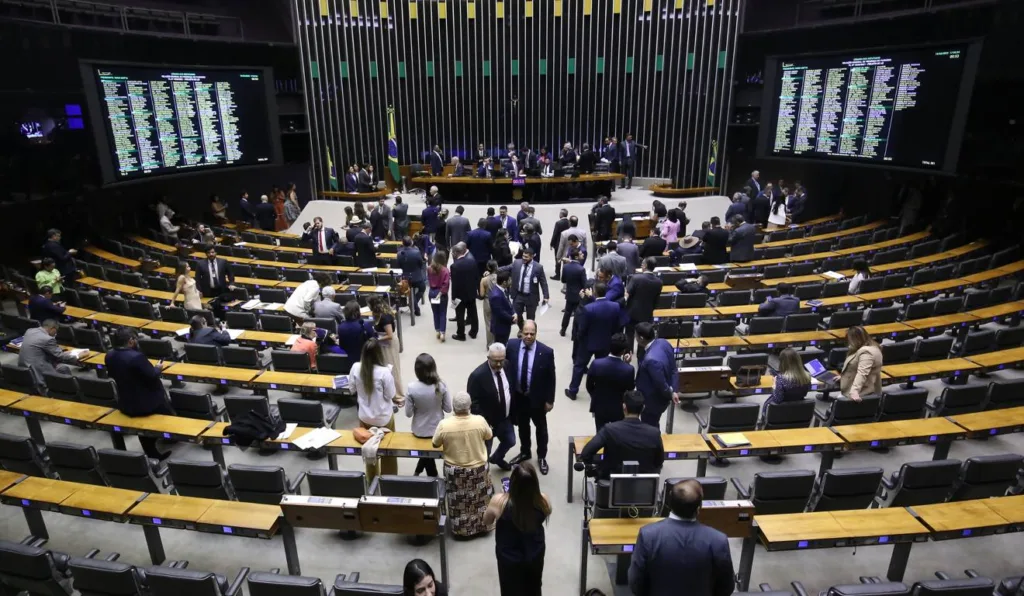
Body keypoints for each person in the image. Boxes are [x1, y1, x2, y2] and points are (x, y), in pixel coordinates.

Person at [628, 479, 734, 596]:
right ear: (699, 508)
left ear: (669, 502)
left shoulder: (648, 535)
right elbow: (726, 587)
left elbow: (636, 583)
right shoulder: (718, 540)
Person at [484, 462, 551, 596]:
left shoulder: (499, 502)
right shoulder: (542, 500)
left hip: (509, 556)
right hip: (534, 552)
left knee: (509, 588)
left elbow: (486, 521)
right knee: (534, 586)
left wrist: (505, 497)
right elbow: (546, 513)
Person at [432, 391, 494, 538]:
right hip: (478, 470)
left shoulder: (444, 425)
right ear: (469, 406)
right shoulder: (479, 421)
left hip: (456, 472)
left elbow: (435, 443)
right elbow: (489, 435)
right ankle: (482, 526)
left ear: (453, 407)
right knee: (480, 501)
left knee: (459, 504)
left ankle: (461, 530)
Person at [104, 329, 173, 460]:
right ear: (131, 341)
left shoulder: (109, 355)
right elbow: (152, 375)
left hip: (126, 401)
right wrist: (158, 368)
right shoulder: (136, 357)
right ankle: (168, 437)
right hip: (146, 404)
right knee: (167, 407)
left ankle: (152, 451)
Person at [506, 321, 556, 474]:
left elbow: (551, 378)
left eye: (532, 333)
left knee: (541, 429)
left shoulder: (546, 352)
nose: (528, 336)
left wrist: (550, 400)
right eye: (526, 333)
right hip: (519, 396)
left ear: (536, 333)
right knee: (523, 426)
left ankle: (542, 456)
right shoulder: (512, 346)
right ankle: (525, 451)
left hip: (537, 399)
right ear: (521, 332)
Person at [580, 390, 664, 479]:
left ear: (624, 407)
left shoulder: (609, 430)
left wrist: (600, 466)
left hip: (611, 484)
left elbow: (586, 454)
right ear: (643, 408)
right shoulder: (654, 433)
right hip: (643, 486)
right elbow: (659, 462)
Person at [349, 338, 401, 479]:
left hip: (364, 417)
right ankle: (389, 478)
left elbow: (351, 389)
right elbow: (390, 395)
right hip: (383, 418)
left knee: (369, 449)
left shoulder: (355, 367)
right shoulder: (385, 372)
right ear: (379, 354)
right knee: (389, 451)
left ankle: (372, 479)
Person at [567, 282, 628, 400]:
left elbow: (582, 329)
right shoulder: (615, 306)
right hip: (605, 343)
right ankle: (601, 391)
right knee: (603, 368)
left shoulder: (588, 308)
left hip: (587, 343)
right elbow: (616, 326)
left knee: (579, 366)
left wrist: (580, 339)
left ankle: (573, 390)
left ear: (594, 292)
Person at [466, 343, 517, 470]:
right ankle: (485, 477)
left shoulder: (507, 366)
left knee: (510, 441)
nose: (499, 364)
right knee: (485, 454)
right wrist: (484, 421)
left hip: (505, 418)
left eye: (501, 360)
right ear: (488, 357)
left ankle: (497, 458)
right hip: (488, 423)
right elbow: (473, 402)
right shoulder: (477, 376)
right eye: (496, 361)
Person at [406, 354, 452, 477]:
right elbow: (448, 408)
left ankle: (426, 475)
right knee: (427, 454)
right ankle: (427, 475)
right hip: (438, 430)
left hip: (419, 430)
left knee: (425, 453)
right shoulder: (442, 385)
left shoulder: (411, 388)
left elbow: (408, 413)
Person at [634, 323, 680, 428]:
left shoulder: (651, 360)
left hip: (652, 403)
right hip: (660, 399)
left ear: (641, 338)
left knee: (650, 427)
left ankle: (654, 443)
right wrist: (674, 391)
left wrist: (670, 393)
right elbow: (674, 369)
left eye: (636, 336)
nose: (635, 338)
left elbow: (661, 384)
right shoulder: (664, 343)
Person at [586, 334, 636, 432]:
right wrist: (626, 364)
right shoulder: (629, 369)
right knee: (617, 435)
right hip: (618, 409)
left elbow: (589, 385)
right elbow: (630, 389)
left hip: (600, 406)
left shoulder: (596, 364)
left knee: (600, 434)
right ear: (624, 351)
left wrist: (596, 396)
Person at [19, 319, 82, 383]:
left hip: (24, 367)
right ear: (53, 329)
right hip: (38, 371)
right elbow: (59, 356)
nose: (56, 333)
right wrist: (77, 356)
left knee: (60, 366)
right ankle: (70, 387)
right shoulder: (48, 339)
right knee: (64, 368)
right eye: (56, 331)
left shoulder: (29, 331)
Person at [625, 258, 664, 355]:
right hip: (647, 313)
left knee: (629, 334)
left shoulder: (636, 278)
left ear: (645, 266)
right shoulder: (659, 282)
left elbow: (628, 293)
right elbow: (656, 301)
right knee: (644, 337)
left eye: (642, 264)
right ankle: (641, 357)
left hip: (632, 312)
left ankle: (628, 354)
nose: (641, 265)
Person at [369, 295, 404, 401]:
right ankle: (389, 392)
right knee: (385, 368)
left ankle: (398, 395)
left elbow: (390, 335)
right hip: (382, 344)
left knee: (393, 369)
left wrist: (377, 339)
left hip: (389, 344)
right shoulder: (378, 315)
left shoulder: (385, 317)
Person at [506, 248, 549, 331]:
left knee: (530, 318)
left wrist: (546, 296)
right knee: (516, 315)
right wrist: (493, 271)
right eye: (523, 256)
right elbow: (506, 268)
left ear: (532, 257)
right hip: (518, 295)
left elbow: (543, 283)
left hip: (531, 297)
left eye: (526, 257)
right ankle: (522, 329)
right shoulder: (517, 263)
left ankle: (529, 332)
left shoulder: (538, 267)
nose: (524, 258)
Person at [763, 348, 811, 416]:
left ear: (783, 362)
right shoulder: (807, 376)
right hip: (798, 411)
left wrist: (774, 385)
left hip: (780, 413)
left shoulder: (781, 379)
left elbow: (777, 400)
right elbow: (805, 392)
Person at [840, 326, 883, 402]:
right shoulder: (873, 347)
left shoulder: (866, 353)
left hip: (863, 391)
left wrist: (854, 391)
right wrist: (844, 377)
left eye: (850, 340)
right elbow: (855, 367)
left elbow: (862, 373)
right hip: (865, 386)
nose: (848, 343)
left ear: (856, 339)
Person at [450, 243, 480, 341]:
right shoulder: (472, 262)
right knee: (473, 313)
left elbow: (455, 284)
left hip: (459, 295)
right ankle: (474, 332)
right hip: (471, 292)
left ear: (455, 253)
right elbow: (476, 278)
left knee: (460, 315)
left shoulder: (454, 266)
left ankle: (461, 334)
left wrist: (453, 297)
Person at [560, 249, 588, 337]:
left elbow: (563, 280)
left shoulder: (566, 267)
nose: (582, 255)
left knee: (567, 313)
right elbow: (585, 284)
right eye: (580, 254)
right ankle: (574, 333)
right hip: (578, 295)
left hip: (569, 293)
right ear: (576, 256)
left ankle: (563, 329)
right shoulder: (581, 269)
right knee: (577, 315)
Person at [397, 237, 426, 317]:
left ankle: (413, 303)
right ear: (411, 243)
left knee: (410, 293)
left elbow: (399, 266)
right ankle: (414, 305)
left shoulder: (399, 253)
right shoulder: (416, 252)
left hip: (405, 277)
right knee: (422, 288)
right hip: (417, 276)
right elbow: (421, 264)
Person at [427, 251, 450, 342]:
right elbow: (446, 284)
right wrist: (440, 293)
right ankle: (442, 333)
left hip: (432, 292)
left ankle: (437, 330)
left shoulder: (429, 268)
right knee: (442, 313)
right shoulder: (445, 270)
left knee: (435, 312)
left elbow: (428, 279)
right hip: (441, 293)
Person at [488, 270, 517, 345]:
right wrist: (512, 319)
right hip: (500, 328)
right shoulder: (496, 296)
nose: (511, 281)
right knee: (500, 346)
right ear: (504, 282)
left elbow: (508, 302)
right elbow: (500, 312)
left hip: (505, 325)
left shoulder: (503, 290)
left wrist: (514, 313)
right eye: (510, 280)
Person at [479, 260, 500, 346]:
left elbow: (482, 294)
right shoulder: (500, 277)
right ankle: (498, 341)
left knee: (488, 323)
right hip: (498, 301)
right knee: (498, 322)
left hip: (488, 301)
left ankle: (490, 344)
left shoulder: (484, 280)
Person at [549, 209, 571, 280]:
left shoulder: (558, 223)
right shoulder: (569, 222)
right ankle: (565, 275)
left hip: (558, 243)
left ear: (561, 214)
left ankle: (558, 275)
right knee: (566, 259)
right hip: (567, 243)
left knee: (557, 258)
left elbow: (555, 234)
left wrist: (552, 243)